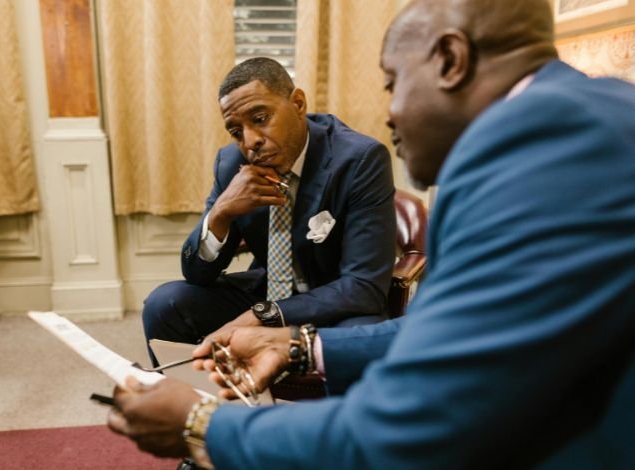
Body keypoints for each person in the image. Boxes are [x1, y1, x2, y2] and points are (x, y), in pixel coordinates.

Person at [108, 0, 635, 468]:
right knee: (169, 300)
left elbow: (410, 423)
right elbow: (451, 333)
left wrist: (204, 426)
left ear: (450, 60)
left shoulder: (551, 153)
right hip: (278, 295)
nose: (389, 114)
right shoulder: (563, 125)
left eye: (391, 84)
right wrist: (300, 347)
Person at [141, 57, 396, 365]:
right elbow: (196, 274)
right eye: (236, 131)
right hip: (266, 290)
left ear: (298, 104)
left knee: (357, 342)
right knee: (165, 304)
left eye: (260, 118)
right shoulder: (231, 164)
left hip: (335, 303)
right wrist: (221, 212)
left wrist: (263, 315)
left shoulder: (359, 160)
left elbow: (364, 287)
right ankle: (192, 396)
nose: (250, 142)